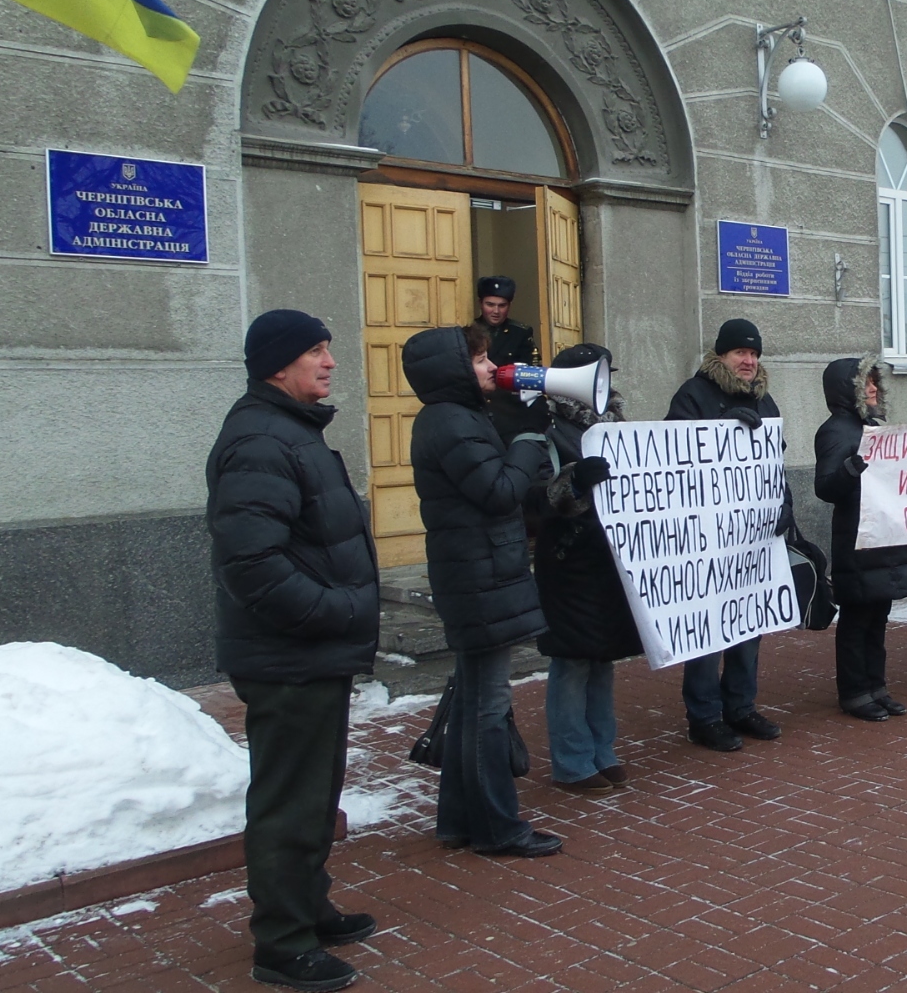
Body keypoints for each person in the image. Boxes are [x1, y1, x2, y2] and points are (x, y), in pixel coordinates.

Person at [207, 309, 378, 992]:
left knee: (313, 796)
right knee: (288, 803)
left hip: (309, 655)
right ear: (279, 365)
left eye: (328, 349)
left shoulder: (289, 429)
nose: (330, 362)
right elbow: (251, 566)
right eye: (316, 351)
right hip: (290, 656)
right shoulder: (260, 440)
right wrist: (335, 612)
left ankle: (307, 907)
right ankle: (282, 945)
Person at [402, 322, 575, 855]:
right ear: (454, 369)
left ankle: (459, 819)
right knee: (488, 707)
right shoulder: (453, 423)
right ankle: (498, 827)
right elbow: (498, 491)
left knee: (474, 700)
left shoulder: (454, 418)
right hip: (479, 575)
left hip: (476, 571)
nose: (491, 367)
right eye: (479, 360)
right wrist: (526, 440)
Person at [666, 318, 796, 751]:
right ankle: (704, 716)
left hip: (752, 535)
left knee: (747, 621)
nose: (749, 360)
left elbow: (774, 464)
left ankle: (741, 706)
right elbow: (671, 458)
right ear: (721, 354)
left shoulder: (764, 399)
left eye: (754, 353)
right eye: (741, 352)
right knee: (708, 626)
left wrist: (783, 507)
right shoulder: (693, 395)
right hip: (707, 536)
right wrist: (722, 428)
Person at [532, 344, 640, 793]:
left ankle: (602, 749)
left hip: (605, 559)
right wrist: (573, 482)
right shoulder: (544, 427)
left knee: (601, 656)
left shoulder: (614, 425)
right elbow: (535, 496)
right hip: (568, 561)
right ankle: (572, 761)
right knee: (573, 660)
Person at [814, 354, 907, 720]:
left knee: (878, 616)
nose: (873, 388)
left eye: (875, 381)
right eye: (866, 382)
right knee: (856, 620)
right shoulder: (835, 431)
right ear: (847, 390)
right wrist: (851, 469)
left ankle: (876, 687)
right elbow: (825, 487)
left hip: (881, 537)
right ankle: (854, 693)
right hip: (857, 540)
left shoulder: (872, 428)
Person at [473, 277, 545, 443]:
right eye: (490, 304)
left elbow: (532, 373)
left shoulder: (520, 333)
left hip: (509, 412)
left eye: (502, 305)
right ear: (480, 304)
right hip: (478, 409)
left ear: (509, 306)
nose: (496, 311)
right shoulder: (470, 332)